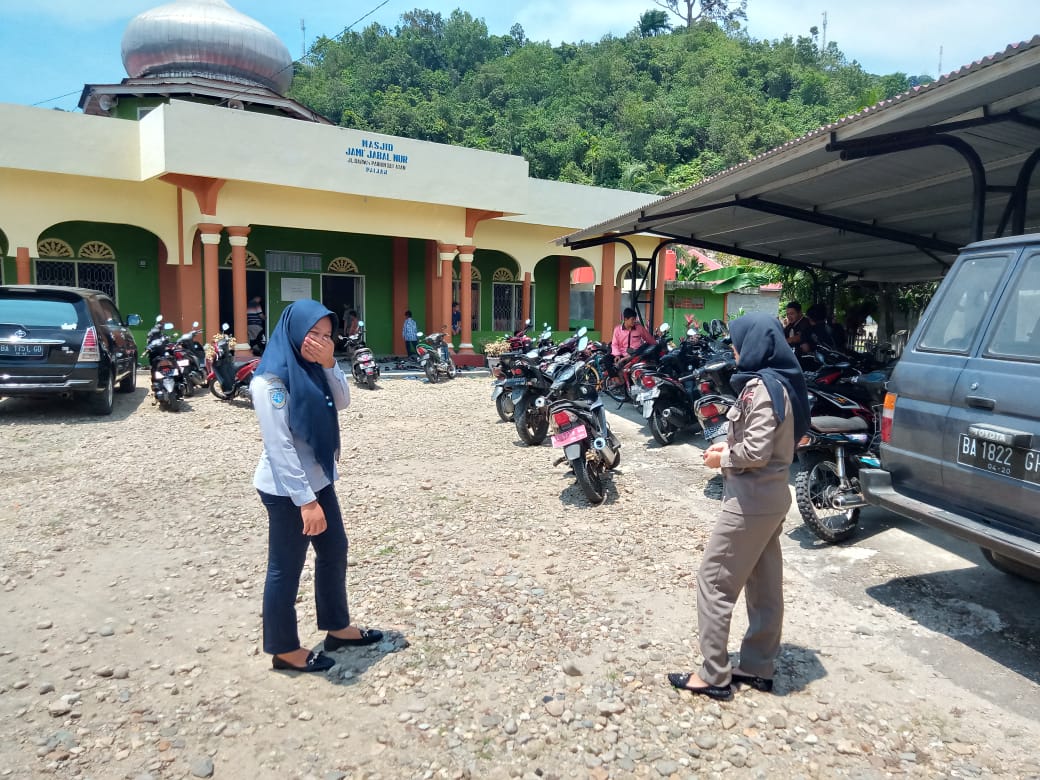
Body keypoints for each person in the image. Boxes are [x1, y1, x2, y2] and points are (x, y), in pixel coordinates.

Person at [668, 312, 809, 700]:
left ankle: (714, 674)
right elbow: (769, 441)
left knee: (713, 582)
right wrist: (728, 445)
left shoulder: (762, 388)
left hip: (750, 503)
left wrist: (722, 459)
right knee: (764, 586)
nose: (733, 348)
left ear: (756, 344)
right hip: (770, 499)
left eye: (738, 342)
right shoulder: (780, 382)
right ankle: (758, 665)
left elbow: (757, 451)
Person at [252, 299, 382, 674]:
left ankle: (337, 628)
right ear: (294, 333)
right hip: (288, 490)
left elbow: (342, 401)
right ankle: (284, 649)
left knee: (334, 549)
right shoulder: (270, 381)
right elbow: (279, 446)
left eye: (328, 336)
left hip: (319, 478)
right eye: (314, 334)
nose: (322, 342)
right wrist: (306, 502)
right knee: (285, 567)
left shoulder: (312, 368)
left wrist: (329, 364)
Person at [610, 307, 655, 372]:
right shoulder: (617, 330)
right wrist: (617, 355)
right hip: (622, 354)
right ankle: (615, 377)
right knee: (606, 359)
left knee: (646, 346)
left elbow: (649, 339)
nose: (634, 321)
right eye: (632, 319)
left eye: (635, 319)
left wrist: (657, 345)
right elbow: (614, 344)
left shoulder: (639, 328)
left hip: (635, 354)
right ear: (625, 319)